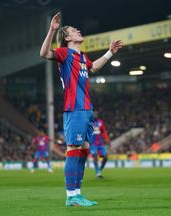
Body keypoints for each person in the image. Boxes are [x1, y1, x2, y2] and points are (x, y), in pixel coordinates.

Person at [40, 12, 123, 207]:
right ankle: (71, 196)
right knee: (74, 149)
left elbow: (94, 67)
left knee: (84, 151)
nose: (78, 30)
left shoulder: (82, 56)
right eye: (73, 30)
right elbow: (43, 53)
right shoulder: (64, 53)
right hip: (74, 108)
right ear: (67, 38)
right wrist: (52, 30)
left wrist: (110, 52)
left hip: (87, 109)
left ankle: (78, 193)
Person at [90, 110, 110, 178]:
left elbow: (103, 132)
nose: (95, 115)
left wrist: (107, 140)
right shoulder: (89, 122)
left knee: (106, 157)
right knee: (95, 155)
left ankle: (99, 170)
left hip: (100, 144)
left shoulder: (100, 122)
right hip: (92, 144)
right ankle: (98, 172)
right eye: (94, 114)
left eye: (96, 114)